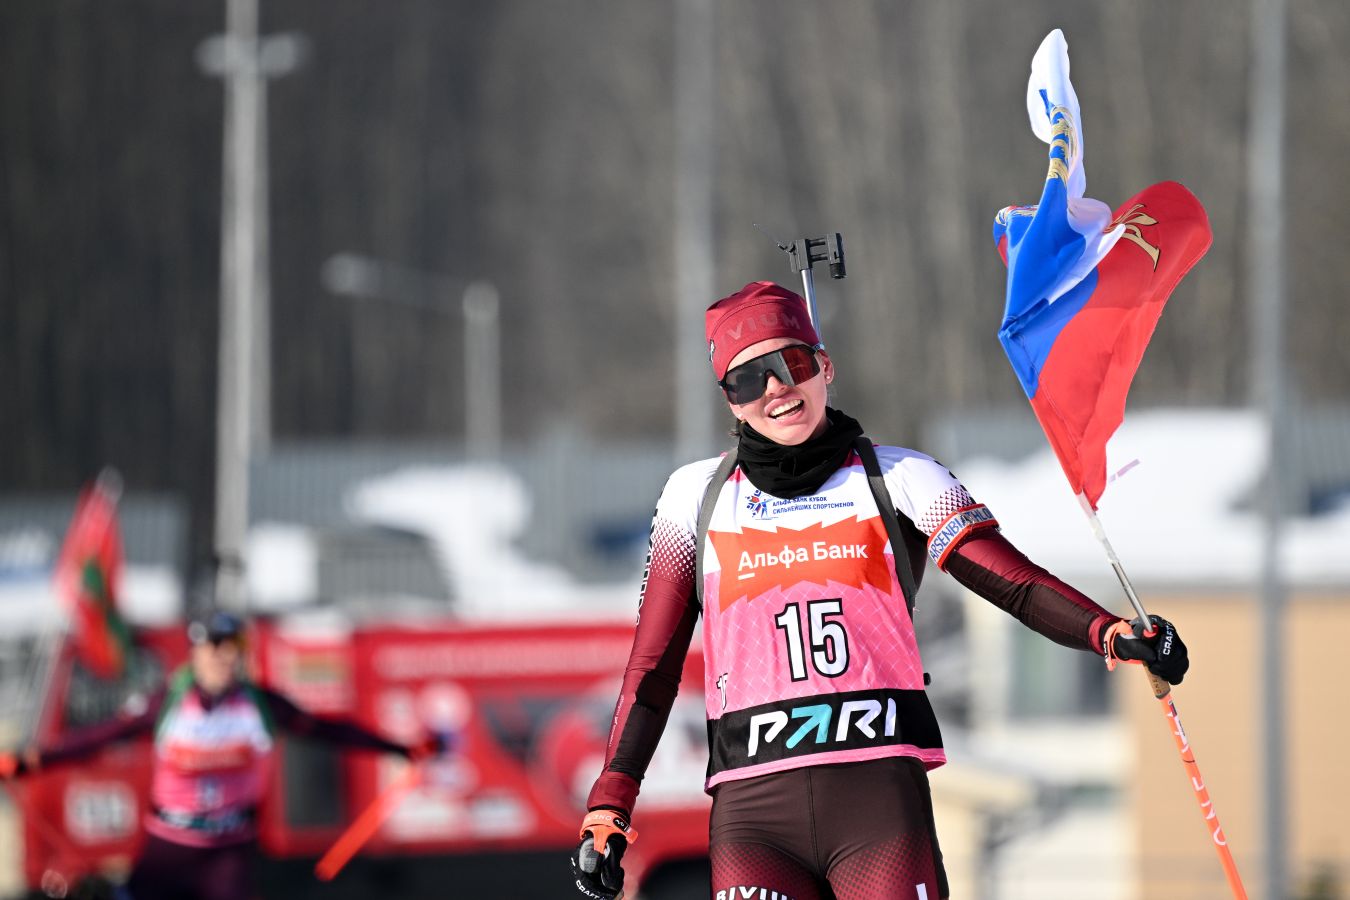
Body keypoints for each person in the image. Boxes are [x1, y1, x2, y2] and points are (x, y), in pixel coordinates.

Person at [570, 281, 1189, 900]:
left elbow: (1015, 585)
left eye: (791, 363)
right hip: (754, 818)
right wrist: (609, 804)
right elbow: (653, 667)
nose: (776, 389)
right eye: (748, 379)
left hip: (877, 809)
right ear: (730, 401)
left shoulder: (900, 476)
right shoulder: (694, 497)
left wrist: (1110, 632)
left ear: (825, 366)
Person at [1, 611, 437, 900]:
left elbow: (327, 729)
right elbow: (101, 735)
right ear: (196, 652)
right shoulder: (169, 702)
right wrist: (29, 761)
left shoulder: (260, 705)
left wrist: (399, 748)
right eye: (215, 646)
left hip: (229, 850)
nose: (225, 657)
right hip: (170, 846)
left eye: (233, 647)